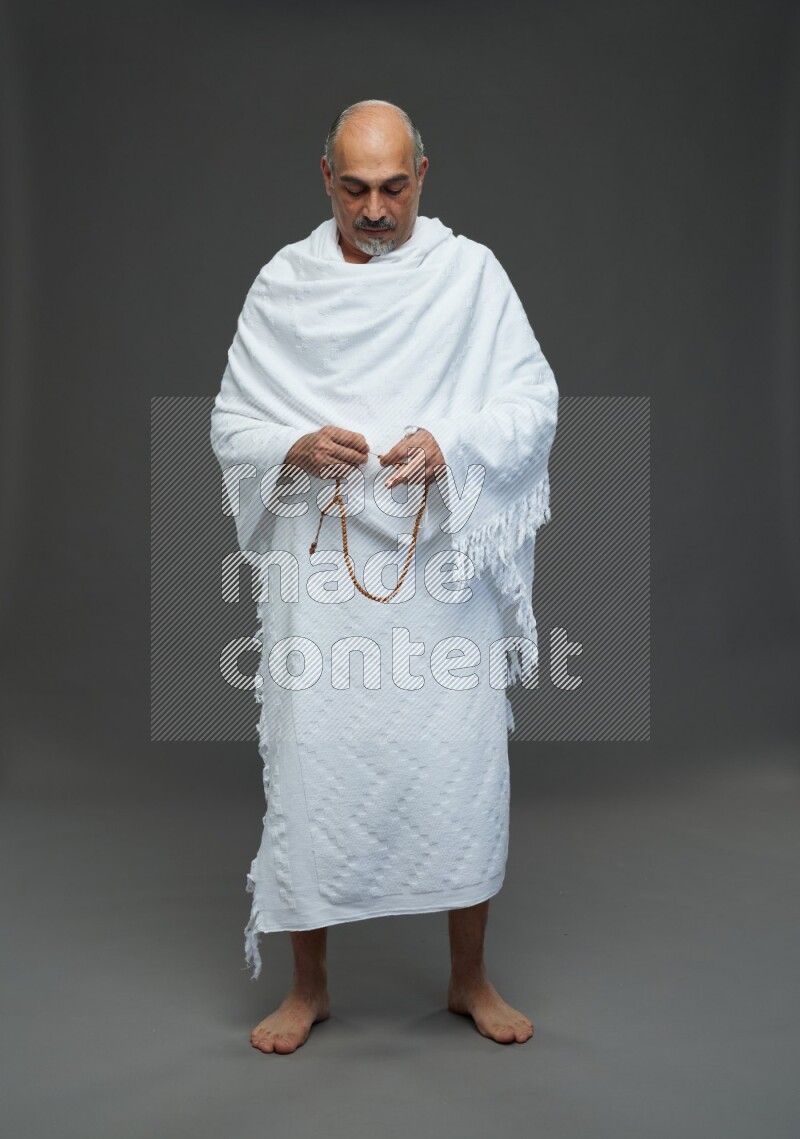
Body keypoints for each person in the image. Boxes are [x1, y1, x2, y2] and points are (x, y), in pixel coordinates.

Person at [209, 99, 559, 1053]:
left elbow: (533, 400)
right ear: (325, 176)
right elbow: (231, 423)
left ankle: (469, 978)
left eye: (395, 188)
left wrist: (454, 442)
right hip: (321, 572)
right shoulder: (285, 284)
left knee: (459, 765)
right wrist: (290, 442)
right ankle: (309, 987)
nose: (375, 210)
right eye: (356, 188)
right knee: (315, 768)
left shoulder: (470, 277)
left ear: (423, 176)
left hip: (441, 566)